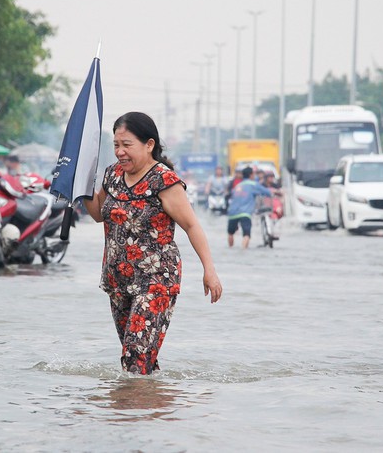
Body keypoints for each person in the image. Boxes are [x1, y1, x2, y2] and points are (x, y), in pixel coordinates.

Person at [83, 111, 222, 375]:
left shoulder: (164, 180)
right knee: (137, 357)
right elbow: (98, 213)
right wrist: (80, 187)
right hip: (118, 279)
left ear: (149, 145)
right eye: (116, 145)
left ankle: (131, 411)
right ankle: (149, 408)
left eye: (127, 145)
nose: (120, 152)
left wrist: (209, 270)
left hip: (156, 280)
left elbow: (192, 226)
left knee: (135, 356)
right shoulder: (112, 175)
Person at [226, 166, 272, 249]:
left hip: (232, 213)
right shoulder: (253, 184)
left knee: (230, 233)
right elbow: (267, 192)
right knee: (246, 235)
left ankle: (230, 249)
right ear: (251, 175)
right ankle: (243, 252)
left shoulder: (238, 186)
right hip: (245, 213)